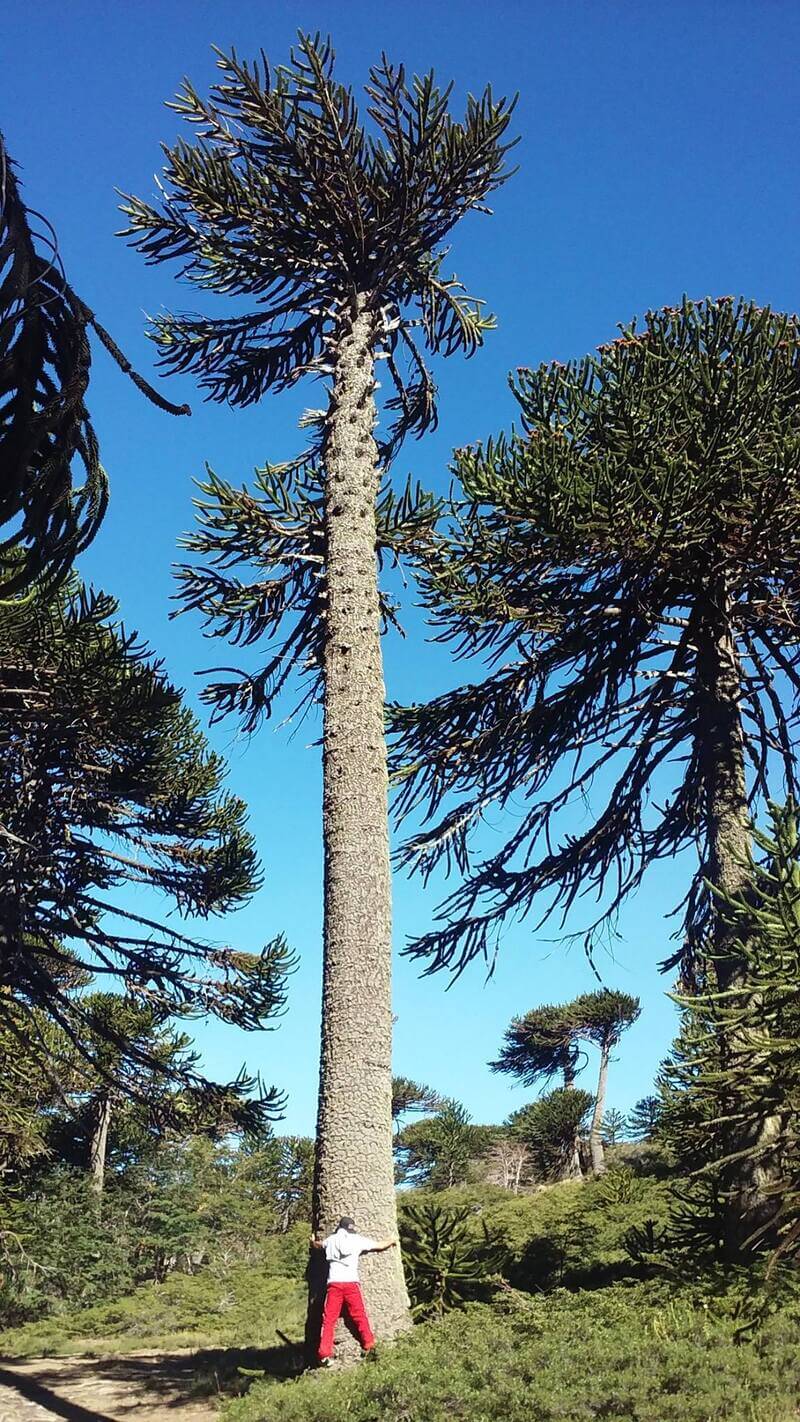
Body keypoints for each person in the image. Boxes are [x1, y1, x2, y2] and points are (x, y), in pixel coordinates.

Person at [311, 1215, 397, 1364]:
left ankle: (324, 1353)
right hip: (351, 1283)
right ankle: (369, 1344)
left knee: (329, 1319)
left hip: (335, 1284)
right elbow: (379, 1245)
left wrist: (312, 1242)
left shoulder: (331, 1240)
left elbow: (319, 1246)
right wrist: (392, 1240)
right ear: (351, 1228)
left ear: (339, 1228)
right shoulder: (357, 1240)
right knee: (359, 1316)